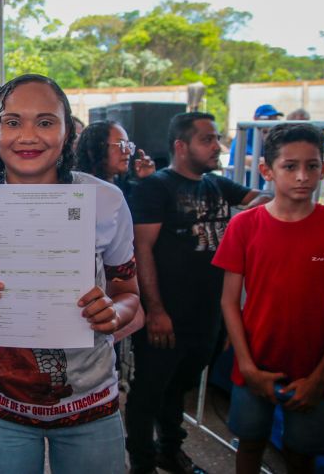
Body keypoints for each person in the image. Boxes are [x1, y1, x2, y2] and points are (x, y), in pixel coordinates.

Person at [0, 74, 140, 474]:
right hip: (0, 406)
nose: (28, 136)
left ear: (68, 133)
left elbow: (127, 290)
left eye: (45, 122)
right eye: (12, 122)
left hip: (91, 404)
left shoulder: (105, 200)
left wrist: (114, 314)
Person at [125, 111, 270, 474]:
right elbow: (142, 250)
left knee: (179, 389)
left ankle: (169, 450)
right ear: (181, 145)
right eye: (207, 139)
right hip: (166, 315)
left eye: (216, 138)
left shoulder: (218, 186)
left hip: (207, 316)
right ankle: (142, 465)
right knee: (149, 393)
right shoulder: (155, 188)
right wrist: (155, 310)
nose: (216, 147)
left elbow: (266, 200)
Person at [214, 123, 324, 474]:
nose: (303, 176)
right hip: (254, 362)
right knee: (249, 446)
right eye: (290, 166)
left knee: (302, 455)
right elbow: (230, 301)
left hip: (314, 369)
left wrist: (321, 377)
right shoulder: (245, 226)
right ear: (267, 171)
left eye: (313, 166)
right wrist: (246, 366)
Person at [75, 120, 155, 202]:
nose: (128, 151)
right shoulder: (77, 191)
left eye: (128, 145)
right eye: (121, 145)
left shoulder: (124, 186)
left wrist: (146, 180)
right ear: (96, 148)